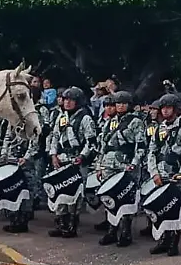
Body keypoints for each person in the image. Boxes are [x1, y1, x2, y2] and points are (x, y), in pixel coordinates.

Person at [146, 93, 181, 255]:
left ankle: (174, 243)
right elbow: (152, 152)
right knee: (162, 208)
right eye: (163, 108)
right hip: (160, 175)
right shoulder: (159, 128)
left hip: (176, 176)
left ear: (175, 109)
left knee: (177, 209)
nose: (165, 111)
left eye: (169, 108)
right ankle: (163, 240)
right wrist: (154, 172)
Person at [96, 90, 148, 246]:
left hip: (126, 164)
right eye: (118, 103)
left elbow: (141, 145)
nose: (120, 106)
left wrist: (134, 163)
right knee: (110, 198)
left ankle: (125, 232)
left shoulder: (136, 122)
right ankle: (112, 230)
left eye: (123, 103)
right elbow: (103, 145)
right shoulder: (110, 121)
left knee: (126, 198)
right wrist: (99, 165)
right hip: (109, 163)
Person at [47, 86, 96, 238]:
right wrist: (53, 154)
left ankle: (72, 225)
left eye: (71, 100)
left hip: (77, 161)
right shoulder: (61, 117)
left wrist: (82, 156)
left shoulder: (85, 118)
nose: (67, 103)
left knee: (75, 195)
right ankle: (61, 223)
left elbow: (91, 142)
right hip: (62, 159)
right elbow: (54, 136)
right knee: (60, 192)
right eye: (66, 99)